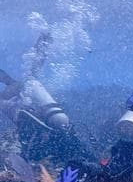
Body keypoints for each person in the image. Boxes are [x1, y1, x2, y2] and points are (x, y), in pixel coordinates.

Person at [0, 33, 93, 165]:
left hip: (40, 125)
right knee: (30, 78)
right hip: (51, 125)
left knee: (29, 79)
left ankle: (43, 43)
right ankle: (44, 43)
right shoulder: (26, 92)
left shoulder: (11, 100)